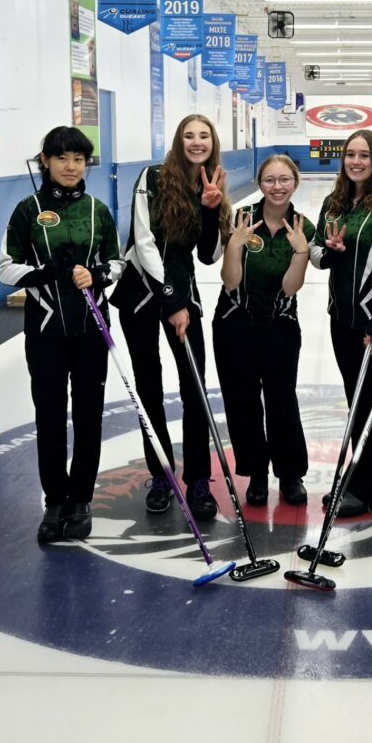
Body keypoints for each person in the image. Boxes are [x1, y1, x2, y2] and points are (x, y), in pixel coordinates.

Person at [0, 126, 123, 543]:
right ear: (46, 161)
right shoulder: (26, 210)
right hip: (46, 331)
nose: (71, 166)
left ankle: (81, 499)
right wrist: (46, 272)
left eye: (79, 159)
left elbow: (118, 261)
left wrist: (99, 275)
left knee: (89, 415)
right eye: (62, 158)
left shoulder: (97, 211)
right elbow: (4, 268)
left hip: (91, 329)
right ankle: (55, 501)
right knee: (49, 416)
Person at [110, 115, 231, 521]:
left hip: (184, 293)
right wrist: (171, 300)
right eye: (189, 136)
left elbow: (209, 256)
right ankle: (162, 474)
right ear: (179, 141)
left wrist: (212, 211)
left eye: (204, 136)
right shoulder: (152, 176)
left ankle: (198, 479)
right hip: (141, 295)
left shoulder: (211, 183)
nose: (197, 142)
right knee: (149, 387)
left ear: (213, 142)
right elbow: (143, 242)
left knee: (194, 388)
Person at [309, 129, 372, 517]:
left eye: (364, 155)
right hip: (341, 320)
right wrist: (329, 253)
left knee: (369, 406)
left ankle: (370, 490)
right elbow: (316, 253)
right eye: (350, 154)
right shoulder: (334, 204)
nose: (356, 161)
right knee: (356, 401)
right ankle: (358, 477)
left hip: (371, 322)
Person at [213, 155, 315, 507]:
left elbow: (290, 288)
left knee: (282, 399)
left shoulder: (303, 226)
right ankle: (256, 473)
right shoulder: (240, 220)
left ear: (295, 183)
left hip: (280, 327)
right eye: (270, 179)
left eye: (284, 179)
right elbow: (230, 282)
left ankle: (290, 474)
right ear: (259, 183)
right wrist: (234, 246)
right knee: (243, 401)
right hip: (234, 324)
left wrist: (301, 252)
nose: (277, 186)